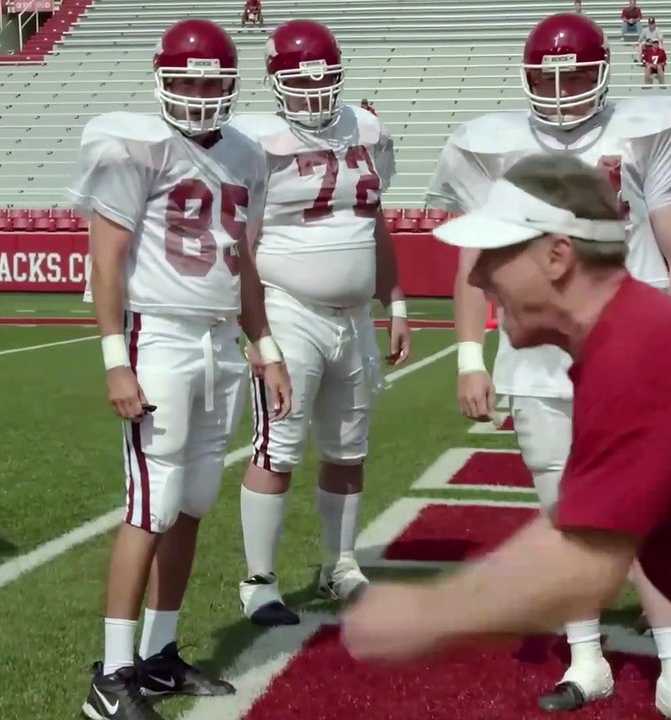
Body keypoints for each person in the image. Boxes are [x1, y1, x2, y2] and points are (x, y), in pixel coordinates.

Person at [344, 152, 671, 720]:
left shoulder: (636, 350)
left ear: (557, 255)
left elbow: (584, 561)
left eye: (495, 256)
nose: (476, 276)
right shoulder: (625, 339)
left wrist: (423, 615)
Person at [425, 12, 671, 716]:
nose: (563, 91)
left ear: (604, 72)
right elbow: (473, 266)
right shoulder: (492, 148)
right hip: (535, 360)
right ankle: (588, 660)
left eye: (579, 74)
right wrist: (469, 357)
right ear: (525, 78)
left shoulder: (645, 135)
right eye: (549, 77)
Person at [66, 18, 292, 720]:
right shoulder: (134, 150)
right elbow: (105, 263)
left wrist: (266, 346)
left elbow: (243, 262)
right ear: (162, 80)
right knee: (151, 506)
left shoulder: (248, 156)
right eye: (188, 80)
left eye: (211, 82)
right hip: (157, 337)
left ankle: (160, 655)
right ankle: (112, 673)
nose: (199, 93)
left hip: (218, 342)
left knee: (193, 502)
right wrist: (114, 361)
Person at [228, 19, 410, 628]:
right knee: (277, 447)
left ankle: (340, 564)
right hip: (288, 307)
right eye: (302, 84)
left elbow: (375, 221)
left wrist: (397, 302)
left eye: (327, 82)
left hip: (354, 315)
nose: (316, 96)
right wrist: (256, 332)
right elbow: (241, 242)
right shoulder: (254, 140)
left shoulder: (367, 127)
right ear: (275, 82)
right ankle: (259, 582)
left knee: (348, 448)